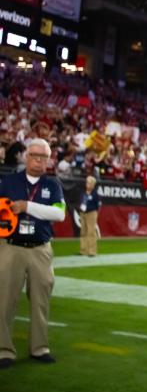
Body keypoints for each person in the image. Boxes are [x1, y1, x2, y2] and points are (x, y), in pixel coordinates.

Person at [0, 138, 66, 368]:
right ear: (26, 156)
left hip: (40, 249)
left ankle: (39, 348)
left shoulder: (53, 184)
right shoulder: (8, 181)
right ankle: (4, 350)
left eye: (43, 157)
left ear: (48, 160)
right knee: (5, 300)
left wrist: (27, 207)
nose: (38, 161)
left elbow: (59, 215)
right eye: (34, 155)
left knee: (41, 301)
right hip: (11, 246)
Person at [78, 176, 100, 257]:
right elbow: (81, 202)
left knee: (91, 232)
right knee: (83, 232)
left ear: (93, 184)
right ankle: (83, 250)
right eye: (87, 182)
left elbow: (98, 205)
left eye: (89, 182)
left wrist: (92, 211)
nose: (87, 184)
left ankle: (92, 251)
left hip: (91, 213)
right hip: (82, 213)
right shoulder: (83, 192)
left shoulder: (95, 194)